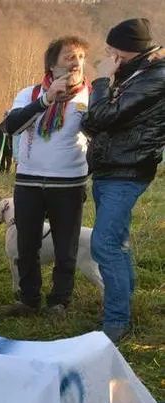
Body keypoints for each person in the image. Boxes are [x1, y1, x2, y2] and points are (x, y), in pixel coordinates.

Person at [81, 18, 164, 343]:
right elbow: (94, 120)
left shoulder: (155, 77)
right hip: (111, 168)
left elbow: (101, 116)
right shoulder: (133, 75)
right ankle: (126, 303)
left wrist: (101, 80)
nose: (107, 54)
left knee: (104, 244)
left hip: (127, 170)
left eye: (112, 49)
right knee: (118, 242)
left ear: (128, 50)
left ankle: (116, 322)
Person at [0, 36, 91, 318]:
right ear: (52, 64)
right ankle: (28, 300)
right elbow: (11, 126)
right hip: (29, 181)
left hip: (69, 182)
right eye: (69, 57)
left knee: (66, 247)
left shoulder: (90, 96)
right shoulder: (29, 93)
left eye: (80, 57)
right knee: (26, 245)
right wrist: (45, 100)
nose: (76, 63)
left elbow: (101, 134)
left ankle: (59, 302)